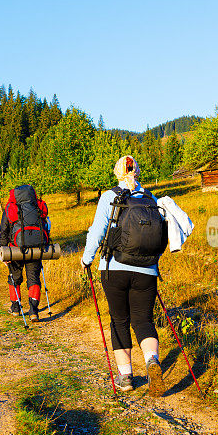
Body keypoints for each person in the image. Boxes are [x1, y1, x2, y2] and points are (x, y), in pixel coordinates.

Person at [80, 156, 167, 394]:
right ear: (137, 171)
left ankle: (126, 376)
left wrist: (87, 258)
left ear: (117, 172)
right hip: (147, 269)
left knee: (120, 320)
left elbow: (97, 231)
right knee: (144, 319)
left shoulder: (110, 196)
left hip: (114, 268)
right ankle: (152, 361)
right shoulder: (150, 198)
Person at [0, 184, 50, 322]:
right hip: (35, 247)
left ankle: (15, 308)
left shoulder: (11, 207)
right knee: (33, 278)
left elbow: (4, 229)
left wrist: (3, 249)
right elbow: (47, 225)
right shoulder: (38, 205)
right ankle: (34, 311)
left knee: (14, 277)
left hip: (15, 248)